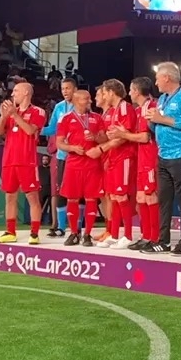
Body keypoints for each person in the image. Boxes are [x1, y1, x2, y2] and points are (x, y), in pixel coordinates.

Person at [142, 62, 181, 256]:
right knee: (164, 200)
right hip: (163, 153)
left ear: (167, 78)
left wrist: (160, 119)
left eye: (158, 78)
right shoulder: (163, 98)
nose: (156, 83)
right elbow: (157, 126)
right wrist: (150, 121)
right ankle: (163, 240)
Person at [108, 77, 160, 251]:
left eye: (131, 89)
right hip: (141, 159)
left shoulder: (151, 107)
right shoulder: (138, 110)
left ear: (137, 91)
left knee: (150, 197)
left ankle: (155, 237)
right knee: (140, 198)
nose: (129, 93)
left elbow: (145, 137)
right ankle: (146, 236)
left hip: (151, 158)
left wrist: (123, 135)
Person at [86, 79, 137, 250]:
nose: (103, 95)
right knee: (114, 197)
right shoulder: (115, 110)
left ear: (111, 92)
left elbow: (124, 136)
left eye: (105, 92)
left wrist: (101, 149)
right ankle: (114, 235)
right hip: (114, 157)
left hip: (124, 157)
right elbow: (112, 135)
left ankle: (128, 236)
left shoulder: (125, 108)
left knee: (121, 196)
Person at [0, 82, 46, 244]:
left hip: (27, 161)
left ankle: (35, 233)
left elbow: (30, 131)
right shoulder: (10, 113)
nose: (12, 94)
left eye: (16, 91)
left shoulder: (38, 111)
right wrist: (3, 116)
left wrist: (15, 115)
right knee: (10, 197)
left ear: (26, 93)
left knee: (32, 197)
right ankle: (10, 231)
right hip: (9, 161)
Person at [56, 90, 105, 247]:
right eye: (86, 99)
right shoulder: (66, 119)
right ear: (76, 101)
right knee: (72, 199)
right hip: (74, 164)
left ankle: (88, 234)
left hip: (92, 164)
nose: (89, 101)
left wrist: (96, 137)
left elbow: (104, 138)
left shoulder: (97, 118)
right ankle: (73, 233)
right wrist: (72, 148)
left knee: (91, 199)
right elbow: (59, 143)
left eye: (90, 99)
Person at [41, 77, 76, 237]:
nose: (65, 91)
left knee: (78, 192)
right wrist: (37, 129)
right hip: (62, 156)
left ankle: (78, 228)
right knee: (61, 191)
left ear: (74, 89)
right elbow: (52, 129)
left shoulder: (81, 105)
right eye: (63, 89)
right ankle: (61, 227)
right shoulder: (59, 107)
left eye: (68, 88)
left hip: (78, 155)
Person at [93, 85, 112, 243]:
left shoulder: (111, 114)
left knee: (110, 196)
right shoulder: (102, 115)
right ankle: (108, 229)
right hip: (101, 158)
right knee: (103, 196)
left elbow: (110, 138)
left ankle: (112, 230)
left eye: (98, 95)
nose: (95, 98)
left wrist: (96, 137)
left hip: (110, 157)